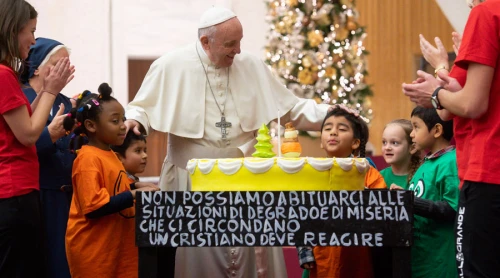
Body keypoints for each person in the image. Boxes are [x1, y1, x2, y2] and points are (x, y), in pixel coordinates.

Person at [125, 6, 330, 278]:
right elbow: (142, 108)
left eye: (240, 42)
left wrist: (333, 113)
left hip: (244, 181)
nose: (238, 51)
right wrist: (136, 121)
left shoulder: (252, 67)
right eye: (230, 44)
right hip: (191, 181)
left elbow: (291, 108)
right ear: (205, 42)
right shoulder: (170, 66)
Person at [402, 1, 500, 276]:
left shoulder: (488, 13)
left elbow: (472, 106)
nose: (471, 4)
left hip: (489, 169)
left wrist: (435, 93)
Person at [0, 1, 74, 276]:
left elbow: (24, 121)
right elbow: (29, 133)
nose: (32, 40)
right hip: (14, 191)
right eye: (30, 31)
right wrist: (51, 91)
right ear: (11, 30)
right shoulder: (4, 74)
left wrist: (48, 91)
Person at [62, 84, 159, 278]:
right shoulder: (88, 159)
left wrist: (134, 185)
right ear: (91, 126)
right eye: (115, 121)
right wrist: (133, 194)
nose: (124, 125)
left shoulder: (110, 154)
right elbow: (94, 207)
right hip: (95, 253)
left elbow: (112, 187)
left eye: (123, 119)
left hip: (116, 249)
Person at [298, 107, 387, 278]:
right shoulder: (311, 173)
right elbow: (300, 215)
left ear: (355, 143)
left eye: (342, 129)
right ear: (321, 141)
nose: (333, 133)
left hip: (355, 258)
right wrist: (304, 250)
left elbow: (380, 213)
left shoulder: (367, 173)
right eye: (328, 128)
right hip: (319, 259)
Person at [20, 37, 74, 278]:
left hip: (66, 198)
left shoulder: (65, 101)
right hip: (35, 195)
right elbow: (17, 145)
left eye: (68, 63)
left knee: (63, 265)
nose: (65, 68)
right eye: (57, 63)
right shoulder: (22, 97)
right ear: (37, 66)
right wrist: (49, 136)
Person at [391, 107, 459, 277]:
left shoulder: (450, 161)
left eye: (416, 127)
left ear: (436, 130)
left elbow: (452, 208)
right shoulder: (427, 163)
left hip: (439, 262)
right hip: (421, 258)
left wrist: (409, 200)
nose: (412, 134)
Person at [380, 119, 421, 189]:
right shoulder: (379, 177)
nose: (387, 148)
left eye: (394, 143)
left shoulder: (421, 177)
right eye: (384, 142)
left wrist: (405, 196)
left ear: (412, 148)